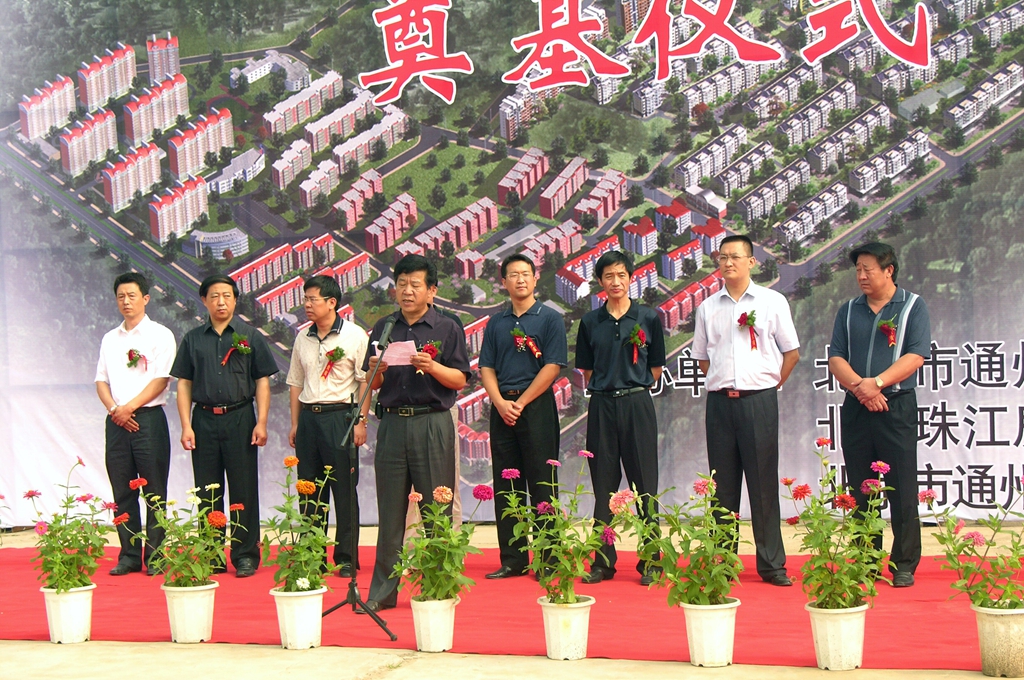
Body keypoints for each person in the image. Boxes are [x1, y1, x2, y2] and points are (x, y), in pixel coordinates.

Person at [360, 255, 471, 612]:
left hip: (432, 422)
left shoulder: (448, 327)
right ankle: (381, 593)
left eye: (415, 285)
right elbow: (373, 382)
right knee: (391, 512)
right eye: (401, 284)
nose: (407, 291)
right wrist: (376, 369)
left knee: (437, 511)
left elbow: (460, 379)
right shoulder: (384, 327)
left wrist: (433, 366)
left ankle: (439, 586)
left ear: (432, 291)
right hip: (392, 424)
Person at [692, 234, 800, 587]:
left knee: (763, 484)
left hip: (759, 402)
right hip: (720, 405)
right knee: (722, 487)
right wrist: (725, 381)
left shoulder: (772, 301)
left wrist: (768, 385)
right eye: (722, 257)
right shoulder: (708, 308)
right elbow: (703, 358)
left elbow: (791, 353)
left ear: (751, 262)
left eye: (735, 256)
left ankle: (772, 565)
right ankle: (723, 562)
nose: (728, 263)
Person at [828, 242, 929, 588]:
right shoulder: (849, 310)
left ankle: (903, 563)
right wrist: (861, 388)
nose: (861, 275)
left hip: (896, 406)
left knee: (901, 486)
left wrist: (878, 383)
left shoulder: (912, 306)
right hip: (857, 406)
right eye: (857, 269)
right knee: (862, 487)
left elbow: (916, 355)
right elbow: (836, 357)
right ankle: (866, 560)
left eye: (868, 269)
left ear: (889, 270)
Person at [170, 274, 278, 577]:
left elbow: (262, 381)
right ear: (204, 300)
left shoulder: (250, 336)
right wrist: (185, 425)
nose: (221, 302)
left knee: (244, 488)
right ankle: (212, 553)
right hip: (203, 419)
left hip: (241, 417)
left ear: (235, 300)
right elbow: (183, 384)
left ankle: (245, 555)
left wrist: (262, 421)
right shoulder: (193, 339)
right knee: (207, 490)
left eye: (227, 296)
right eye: (214, 296)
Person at [575, 250, 665, 585]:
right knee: (604, 486)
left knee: (645, 487)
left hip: (637, 404)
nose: (616, 282)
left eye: (621, 275)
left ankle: (651, 560)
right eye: (609, 276)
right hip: (602, 406)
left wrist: (630, 385)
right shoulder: (590, 322)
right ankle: (602, 562)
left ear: (631, 278)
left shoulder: (648, 318)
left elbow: (655, 368)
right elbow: (586, 370)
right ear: (600, 282)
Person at [479, 254, 567, 579]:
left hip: (536, 407)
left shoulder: (550, 318)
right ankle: (513, 559)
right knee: (507, 484)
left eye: (525, 273)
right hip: (502, 408)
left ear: (535, 278)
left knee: (542, 483)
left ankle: (548, 558)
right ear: (504, 282)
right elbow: (486, 367)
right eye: (513, 274)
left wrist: (522, 401)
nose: (520, 279)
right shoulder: (496, 323)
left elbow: (553, 366)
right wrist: (501, 403)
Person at [286, 275, 369, 577]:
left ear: (332, 303)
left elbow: (365, 382)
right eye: (305, 299)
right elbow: (296, 382)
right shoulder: (302, 338)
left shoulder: (355, 336)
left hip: (341, 418)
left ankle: (346, 558)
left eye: (313, 299)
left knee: (344, 490)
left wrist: (361, 421)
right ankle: (313, 555)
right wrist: (296, 423)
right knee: (309, 490)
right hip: (309, 418)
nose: (307, 305)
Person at [95, 272, 176, 576]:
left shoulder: (160, 335)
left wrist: (129, 407)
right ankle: (129, 555)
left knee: (154, 491)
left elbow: (161, 380)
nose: (126, 301)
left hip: (148, 420)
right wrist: (115, 409)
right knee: (122, 491)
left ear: (145, 298)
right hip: (116, 421)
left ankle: (156, 556)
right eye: (121, 296)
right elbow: (100, 380)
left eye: (132, 296)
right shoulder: (110, 338)